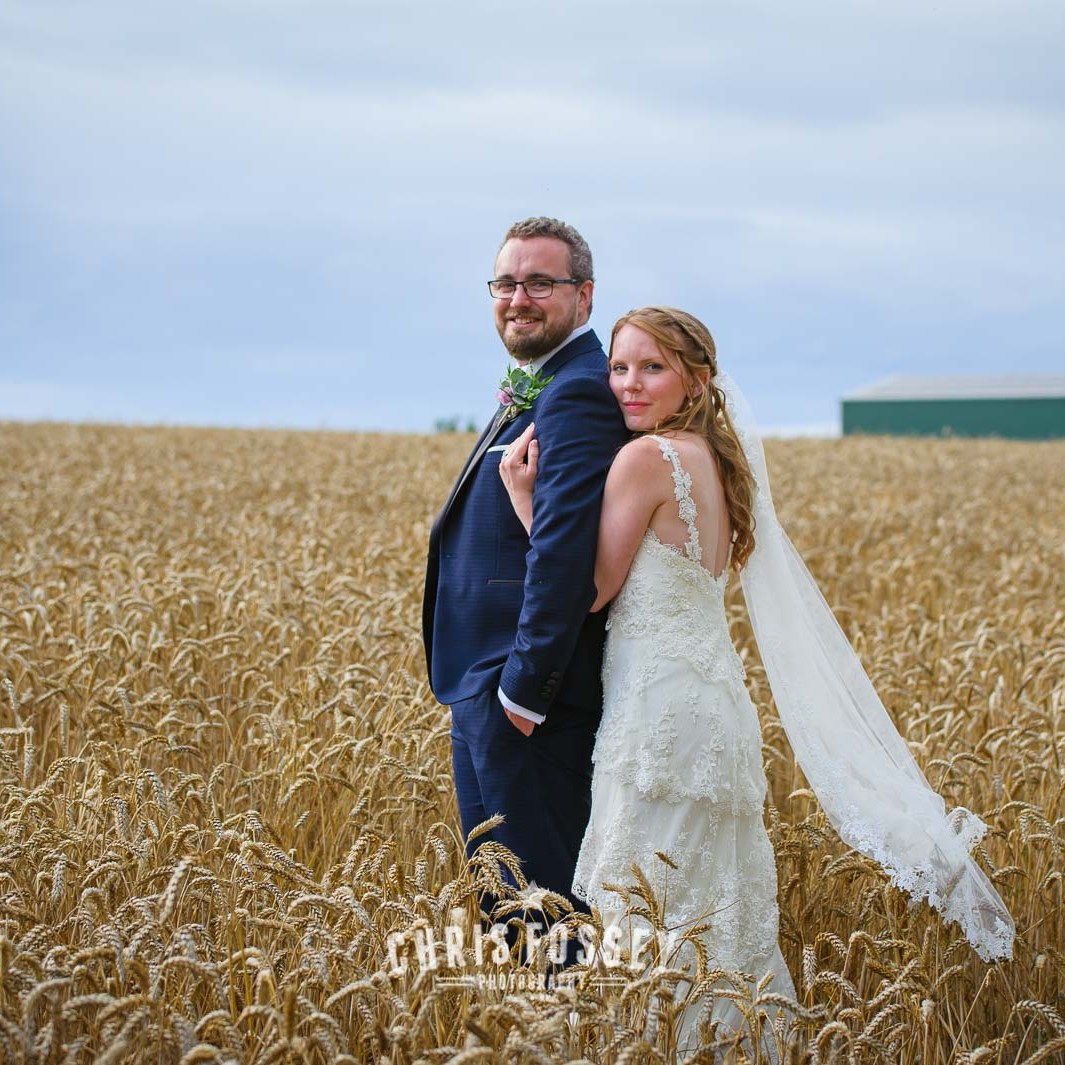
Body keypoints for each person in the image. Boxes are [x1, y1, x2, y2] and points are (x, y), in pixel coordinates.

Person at [499, 306, 1015, 1050]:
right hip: (714, 705)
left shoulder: (644, 460)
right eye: (618, 367)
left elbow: (588, 591)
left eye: (652, 367)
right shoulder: (712, 459)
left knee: (644, 906)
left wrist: (525, 501)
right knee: (718, 910)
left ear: (695, 379)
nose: (628, 384)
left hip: (657, 715)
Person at [421, 217, 628, 937]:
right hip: (484, 687)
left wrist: (522, 687)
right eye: (505, 283)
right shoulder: (542, 382)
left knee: (539, 914)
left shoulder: (575, 391)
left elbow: (565, 551)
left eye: (541, 282)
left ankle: (567, 1033)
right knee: (503, 904)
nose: (519, 297)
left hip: (521, 698)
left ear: (584, 295)